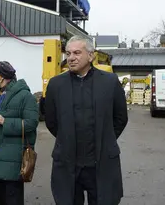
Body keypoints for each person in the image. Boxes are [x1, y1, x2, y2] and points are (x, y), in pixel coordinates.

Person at [44, 35, 129, 205]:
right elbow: (51, 121)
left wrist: (105, 139)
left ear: (90, 56)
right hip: (68, 164)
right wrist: (67, 138)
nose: (71, 58)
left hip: (100, 164)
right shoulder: (55, 85)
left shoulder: (110, 83)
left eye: (77, 53)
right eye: (68, 54)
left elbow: (120, 118)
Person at [0, 61, 39, 205]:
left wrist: (6, 122)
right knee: (1, 198)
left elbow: (31, 123)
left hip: (13, 155)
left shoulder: (25, 96)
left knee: (13, 197)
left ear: (3, 77)